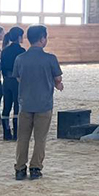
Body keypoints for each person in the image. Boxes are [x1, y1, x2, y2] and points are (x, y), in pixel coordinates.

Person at [13, 24, 63, 181]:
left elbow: (18, 77)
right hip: (44, 104)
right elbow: (58, 78)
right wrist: (57, 84)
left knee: (23, 138)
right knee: (40, 138)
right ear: (42, 39)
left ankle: (20, 168)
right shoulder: (50, 58)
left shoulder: (20, 58)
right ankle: (35, 168)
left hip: (25, 103)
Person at [0, 26, 25, 142]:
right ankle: (16, 133)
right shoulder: (21, 51)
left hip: (6, 80)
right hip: (17, 80)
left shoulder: (4, 50)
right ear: (19, 37)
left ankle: (6, 132)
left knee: (6, 106)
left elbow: (2, 66)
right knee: (17, 106)